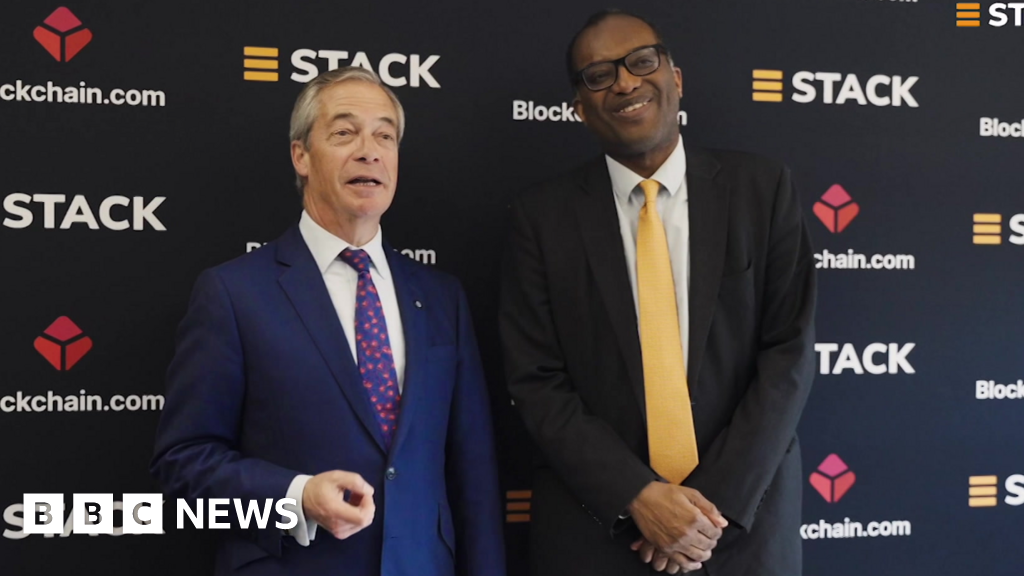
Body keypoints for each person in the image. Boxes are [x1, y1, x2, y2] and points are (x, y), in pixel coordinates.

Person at [151, 66, 505, 576]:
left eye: (385, 135)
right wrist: (296, 496)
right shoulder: (233, 293)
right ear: (301, 155)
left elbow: (474, 474)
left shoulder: (441, 297)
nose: (369, 151)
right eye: (344, 133)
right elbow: (183, 461)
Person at [500, 10, 816, 576]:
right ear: (579, 107)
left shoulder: (762, 190)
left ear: (676, 78)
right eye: (599, 75)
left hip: (742, 528)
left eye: (642, 62)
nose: (625, 82)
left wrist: (704, 511)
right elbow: (536, 379)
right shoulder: (540, 218)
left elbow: (787, 354)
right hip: (599, 531)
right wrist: (638, 497)